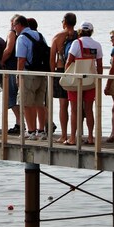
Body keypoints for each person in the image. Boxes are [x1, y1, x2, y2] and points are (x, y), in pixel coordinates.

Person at [64, 21, 103, 146]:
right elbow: (100, 66)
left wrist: (66, 75)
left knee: (74, 110)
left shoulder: (77, 43)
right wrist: (98, 80)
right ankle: (91, 137)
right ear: (91, 31)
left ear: (80, 31)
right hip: (91, 80)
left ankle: (73, 138)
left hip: (76, 80)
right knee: (89, 109)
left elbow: (69, 61)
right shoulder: (97, 45)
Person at [15, 16, 49, 140]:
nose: (14, 28)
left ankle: (30, 131)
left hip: (29, 74)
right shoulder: (39, 35)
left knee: (26, 103)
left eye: (14, 25)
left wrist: (18, 76)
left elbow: (21, 59)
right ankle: (40, 131)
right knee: (39, 103)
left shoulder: (22, 38)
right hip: (42, 74)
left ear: (19, 24)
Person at [50, 13, 78, 144]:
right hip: (77, 71)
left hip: (62, 71)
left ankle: (64, 135)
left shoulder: (58, 36)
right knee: (77, 105)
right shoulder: (80, 36)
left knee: (63, 105)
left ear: (65, 22)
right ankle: (76, 134)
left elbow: (52, 59)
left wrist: (52, 73)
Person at [0, 15, 22, 134]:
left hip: (12, 69)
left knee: (11, 97)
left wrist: (1, 61)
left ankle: (19, 123)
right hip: (21, 69)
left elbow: (8, 50)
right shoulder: (24, 34)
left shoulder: (11, 33)